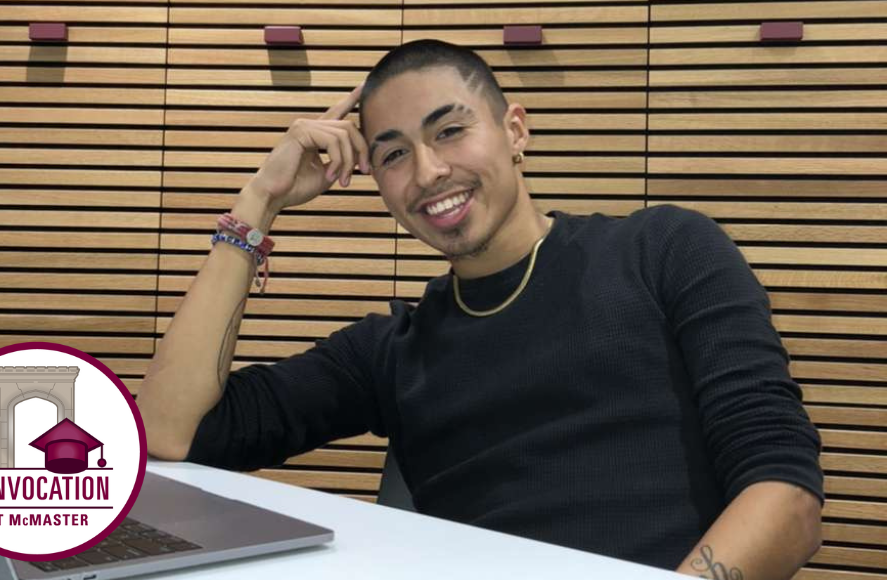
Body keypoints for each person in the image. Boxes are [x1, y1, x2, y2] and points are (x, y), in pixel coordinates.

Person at [137, 39, 824, 579]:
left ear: (515, 129)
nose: (430, 172)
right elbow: (170, 431)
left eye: (450, 131)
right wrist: (259, 200)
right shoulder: (390, 351)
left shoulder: (666, 251)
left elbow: (785, 498)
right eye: (395, 155)